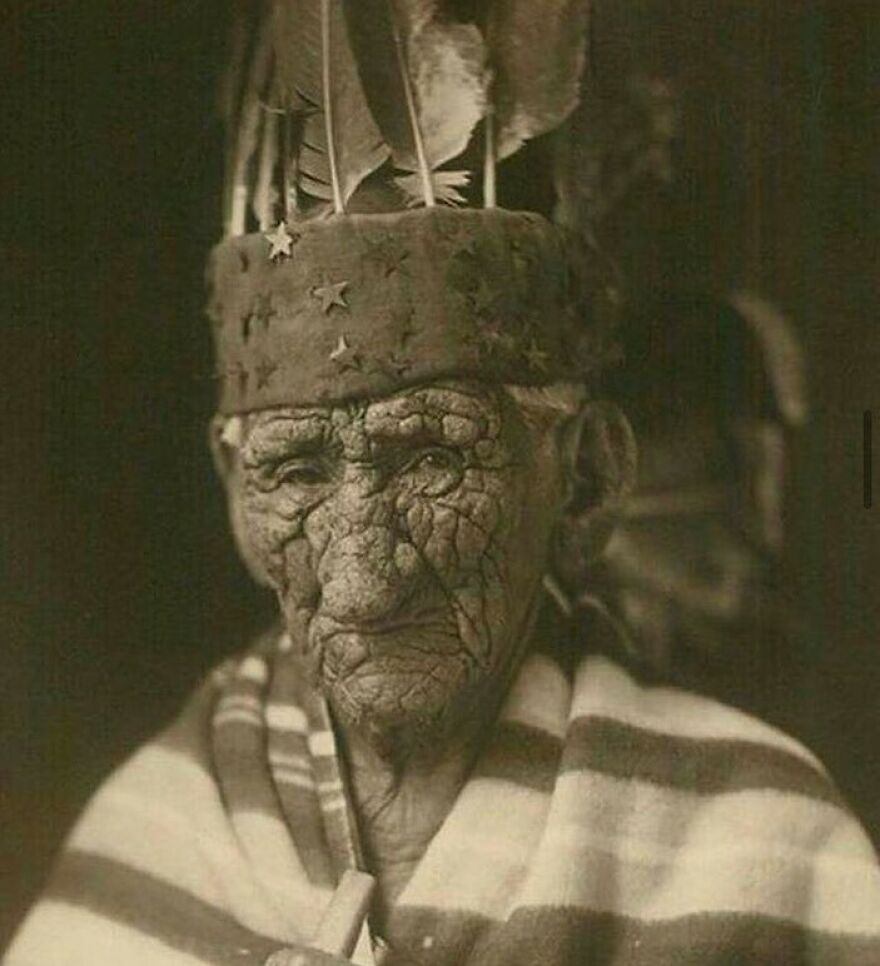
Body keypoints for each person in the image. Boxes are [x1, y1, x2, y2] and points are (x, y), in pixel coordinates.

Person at [7, 6, 880, 964]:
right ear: (234, 497)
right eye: (294, 472)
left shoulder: (765, 856)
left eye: (431, 459)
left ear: (586, 481)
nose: (362, 581)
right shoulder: (159, 834)